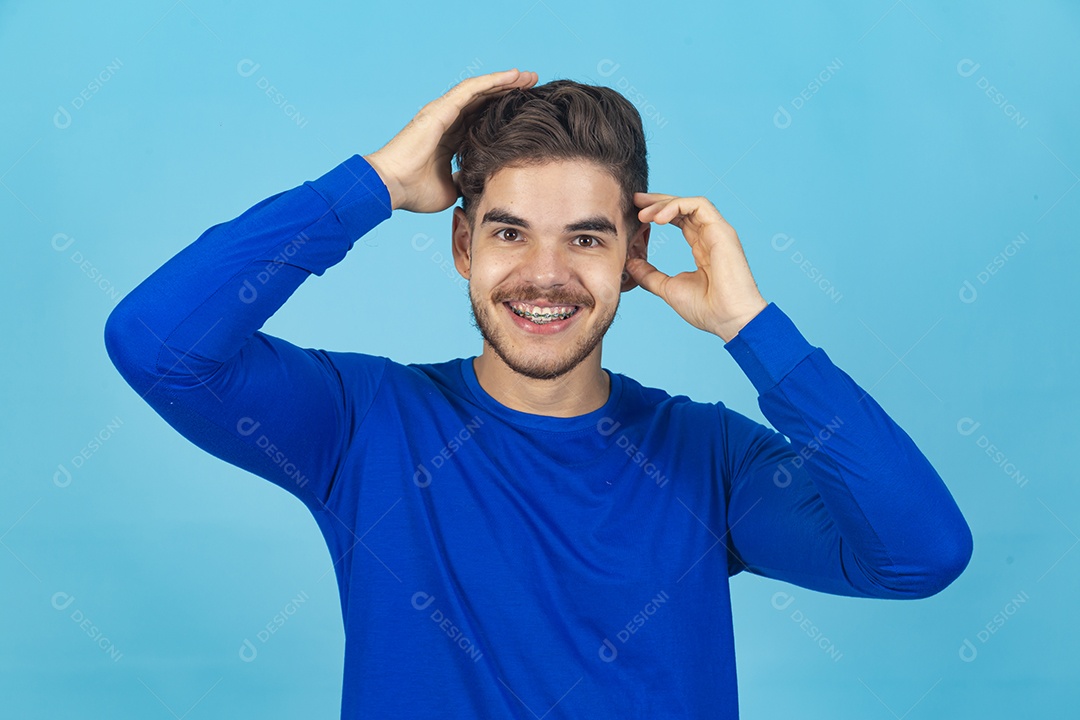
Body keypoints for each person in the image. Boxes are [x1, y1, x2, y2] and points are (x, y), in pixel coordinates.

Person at [104, 68, 973, 719]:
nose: (546, 277)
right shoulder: (361, 424)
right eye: (510, 233)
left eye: (586, 239)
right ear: (461, 245)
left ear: (633, 257)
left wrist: (752, 326)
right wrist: (370, 185)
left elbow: (920, 553)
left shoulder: (710, 458)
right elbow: (156, 344)